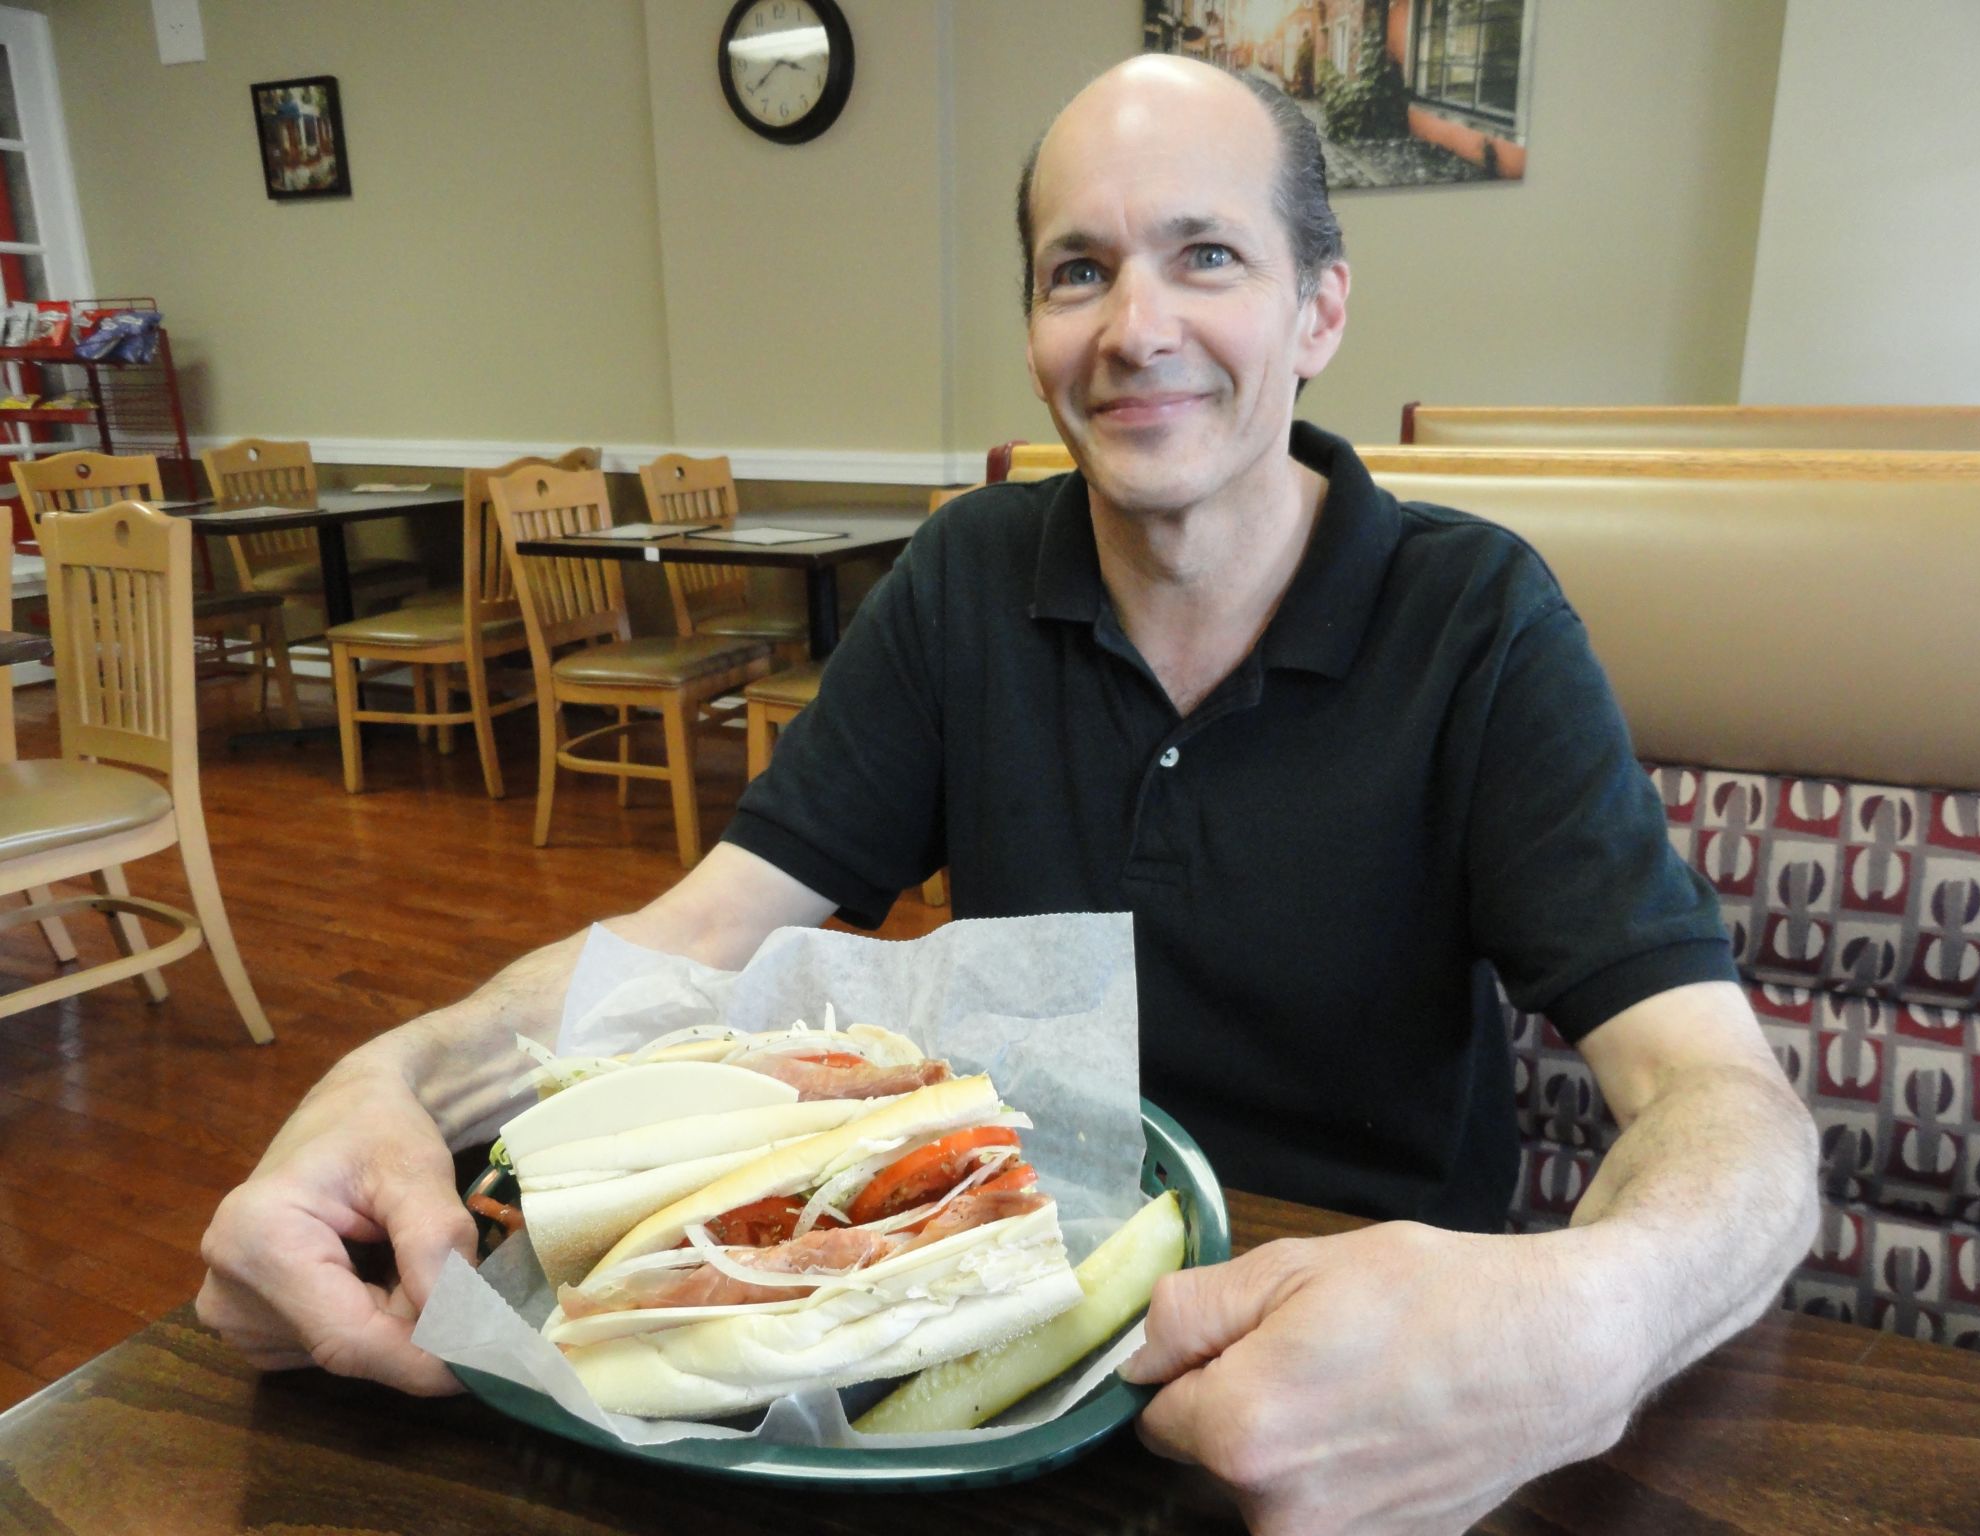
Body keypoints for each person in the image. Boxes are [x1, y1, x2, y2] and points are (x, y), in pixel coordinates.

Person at [199, 56, 1818, 1535]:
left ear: (1320, 310)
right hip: (972, 1329)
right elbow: (698, 935)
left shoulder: (1477, 622)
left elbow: (1721, 1104)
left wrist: (1586, 1331)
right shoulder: (967, 577)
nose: (1136, 327)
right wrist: (392, 1079)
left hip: (1368, 1385)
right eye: (1078, 270)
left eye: (1208, 255)